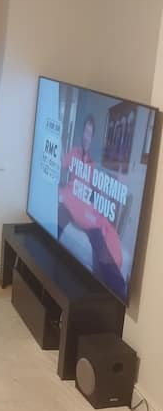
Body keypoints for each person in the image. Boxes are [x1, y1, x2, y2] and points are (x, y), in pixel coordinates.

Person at [58, 113, 127, 298]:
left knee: (98, 232)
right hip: (70, 199)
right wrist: (59, 140)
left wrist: (118, 182)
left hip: (84, 205)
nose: (87, 135)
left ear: (92, 136)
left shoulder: (93, 163)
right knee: (58, 216)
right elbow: (61, 164)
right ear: (82, 133)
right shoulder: (74, 152)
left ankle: (117, 287)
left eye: (90, 132)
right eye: (85, 131)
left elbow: (98, 187)